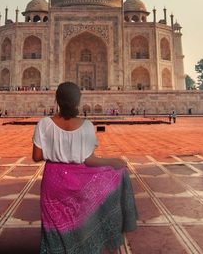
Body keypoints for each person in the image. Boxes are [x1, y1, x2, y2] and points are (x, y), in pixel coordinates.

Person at [32, 82, 138, 253]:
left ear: (56, 100)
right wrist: (111, 162)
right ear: (78, 101)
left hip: (52, 182)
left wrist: (56, 154)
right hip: (78, 181)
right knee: (79, 223)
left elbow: (36, 157)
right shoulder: (86, 125)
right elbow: (89, 160)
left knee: (53, 227)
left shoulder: (44, 124)